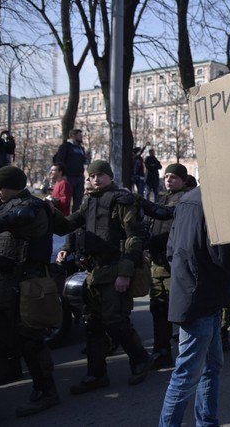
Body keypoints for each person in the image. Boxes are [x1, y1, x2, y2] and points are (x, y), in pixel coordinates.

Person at [159, 186, 230, 426]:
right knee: (187, 373)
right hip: (200, 297)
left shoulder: (189, 199)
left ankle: (207, 421)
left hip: (197, 293)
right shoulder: (217, 202)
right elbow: (226, 257)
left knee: (211, 366)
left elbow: (171, 249)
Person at [53, 160, 152, 394]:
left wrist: (125, 273)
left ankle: (140, 360)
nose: (96, 179)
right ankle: (96, 375)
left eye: (101, 175)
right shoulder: (89, 201)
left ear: (109, 176)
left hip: (115, 269)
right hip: (94, 272)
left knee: (116, 321)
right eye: (92, 175)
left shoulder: (121, 200)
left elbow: (134, 238)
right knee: (92, 325)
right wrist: (49, 212)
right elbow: (67, 225)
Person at [0, 166, 59, 422]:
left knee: (30, 341)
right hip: (6, 284)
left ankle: (46, 391)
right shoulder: (11, 205)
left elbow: (2, 224)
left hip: (26, 285)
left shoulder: (30, 207)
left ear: (10, 186)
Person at [141, 164, 190, 368]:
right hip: (157, 264)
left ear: (183, 180)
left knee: (181, 311)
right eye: (166, 176)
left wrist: (141, 201)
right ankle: (161, 351)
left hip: (174, 265)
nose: (169, 180)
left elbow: (164, 214)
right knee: (158, 308)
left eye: (174, 177)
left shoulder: (186, 199)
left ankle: (191, 353)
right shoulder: (162, 199)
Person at [52, 129, 88, 212]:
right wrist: (63, 175)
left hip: (79, 177)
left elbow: (83, 161)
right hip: (68, 178)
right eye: (79, 135)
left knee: (78, 202)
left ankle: (76, 220)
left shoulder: (81, 148)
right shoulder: (65, 146)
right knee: (65, 201)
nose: (81, 137)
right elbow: (59, 161)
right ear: (73, 136)